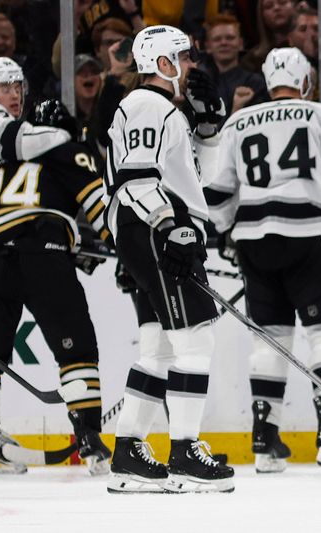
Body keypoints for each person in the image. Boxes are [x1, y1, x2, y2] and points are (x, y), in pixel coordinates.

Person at [209, 47, 321, 474]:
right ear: (304, 80)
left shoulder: (238, 121)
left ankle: (264, 440)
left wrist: (229, 232)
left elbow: (216, 194)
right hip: (306, 235)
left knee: (270, 338)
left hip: (253, 241)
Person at [104, 25, 233, 493]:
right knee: (195, 342)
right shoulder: (145, 104)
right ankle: (184, 452)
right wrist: (168, 225)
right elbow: (137, 179)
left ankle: (129, 452)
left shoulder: (166, 111)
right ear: (162, 63)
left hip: (154, 231)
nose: (193, 64)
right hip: (158, 232)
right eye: (185, 55)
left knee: (159, 347)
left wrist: (209, 131)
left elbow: (203, 183)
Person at [0, 99, 112, 477]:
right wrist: (129, 253)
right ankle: (89, 439)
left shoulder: (2, 160)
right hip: (43, 252)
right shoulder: (71, 150)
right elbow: (103, 213)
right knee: (77, 349)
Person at [0, 57, 74, 475]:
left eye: (17, 86)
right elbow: (27, 143)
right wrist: (67, 132)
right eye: (3, 87)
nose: (13, 94)